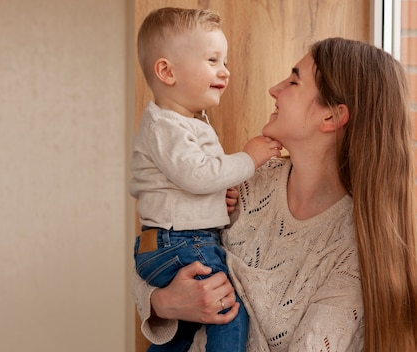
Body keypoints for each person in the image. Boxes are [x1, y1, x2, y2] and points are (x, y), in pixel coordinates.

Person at [133, 37, 417, 351]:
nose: (274, 89)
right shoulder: (243, 181)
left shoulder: (353, 249)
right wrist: (164, 303)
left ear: (332, 117)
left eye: (294, 81)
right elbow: (162, 249)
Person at [130, 7, 282, 352]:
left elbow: (192, 183)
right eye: (212, 60)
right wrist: (251, 158)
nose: (225, 72)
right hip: (181, 243)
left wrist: (218, 199)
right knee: (227, 313)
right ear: (167, 71)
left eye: (224, 61)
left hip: (174, 241)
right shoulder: (166, 126)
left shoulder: (187, 122)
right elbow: (198, 176)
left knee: (182, 332)